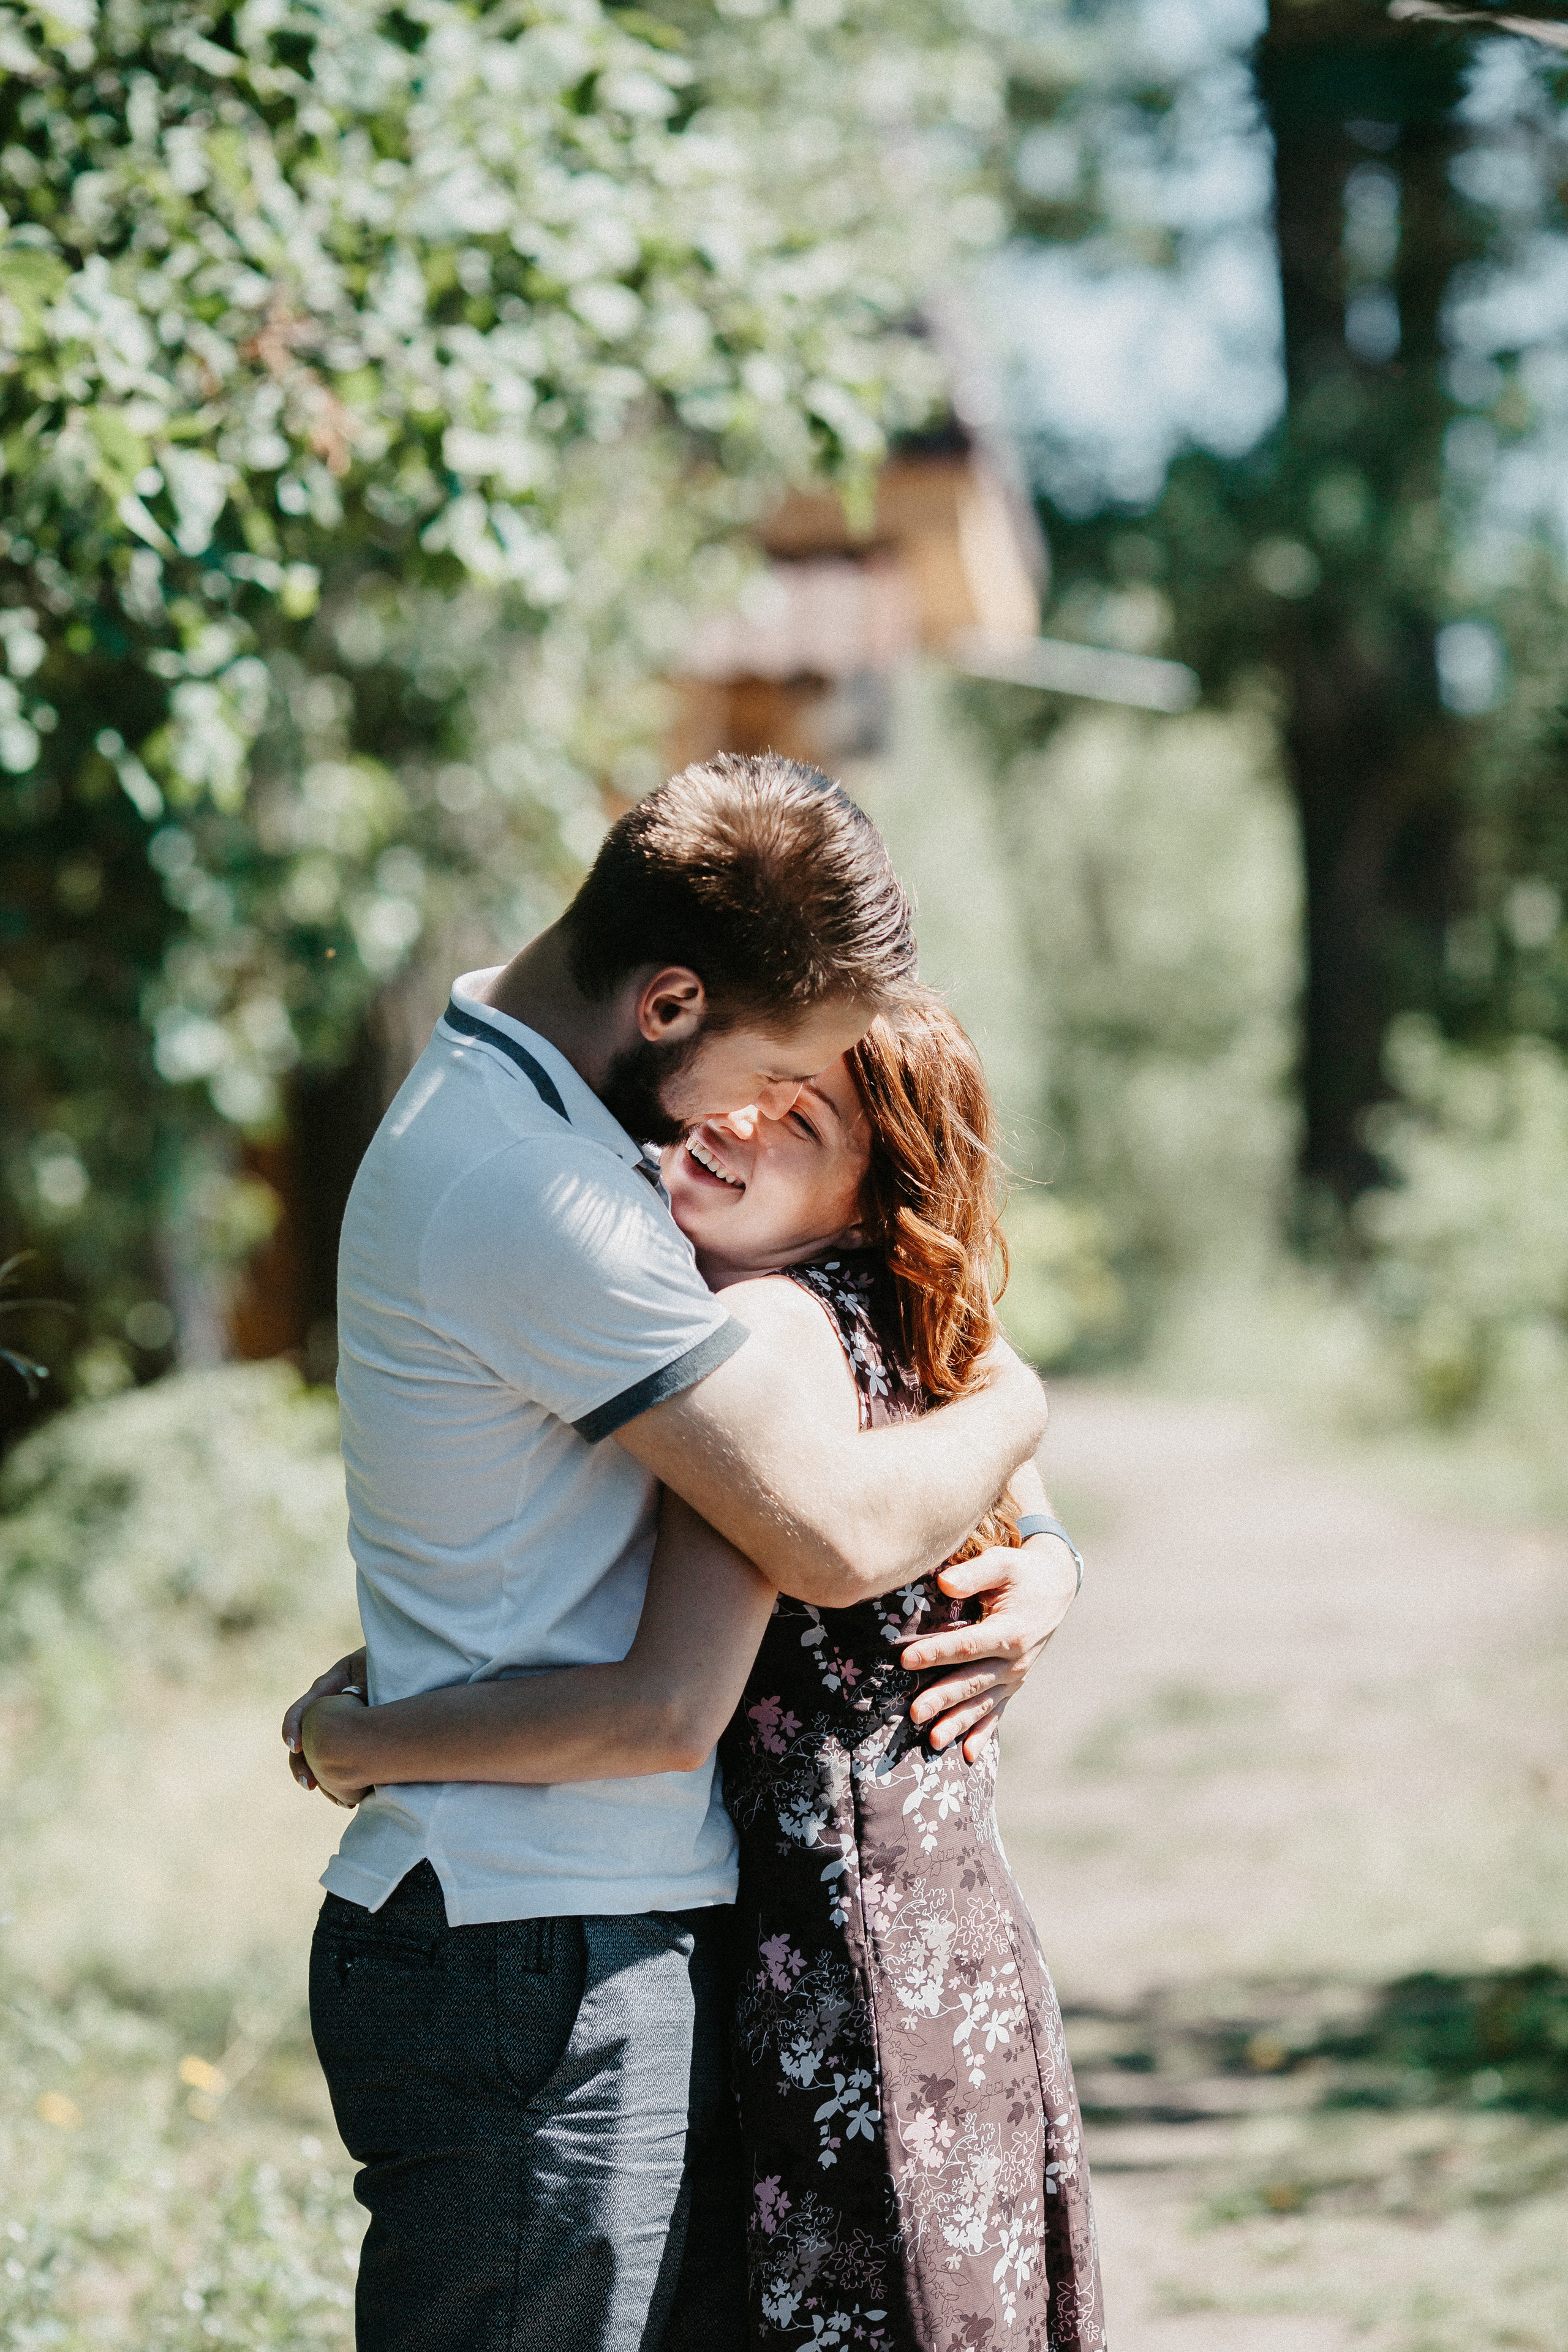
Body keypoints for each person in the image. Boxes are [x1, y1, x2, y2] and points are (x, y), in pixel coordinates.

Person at [285, 752, 1069, 2352]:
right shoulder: (541, 1190)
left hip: (567, 1932)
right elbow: (833, 1531)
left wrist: (1045, 1543)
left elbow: (873, 1377)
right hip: (532, 1941)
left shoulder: (555, 1120)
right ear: (670, 1003)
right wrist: (1022, 1399)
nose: (736, 1126)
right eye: (765, 1069)